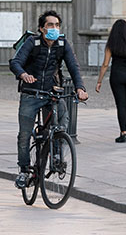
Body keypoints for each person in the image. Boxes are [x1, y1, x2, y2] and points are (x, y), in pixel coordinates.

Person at [10, 10, 88, 188]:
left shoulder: (62, 44)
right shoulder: (33, 42)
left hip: (52, 92)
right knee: (24, 135)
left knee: (62, 121)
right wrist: (23, 75)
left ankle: (56, 155)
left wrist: (80, 88)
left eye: (57, 25)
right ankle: (23, 170)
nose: (54, 28)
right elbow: (15, 62)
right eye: (50, 25)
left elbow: (73, 67)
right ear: (42, 28)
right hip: (31, 93)